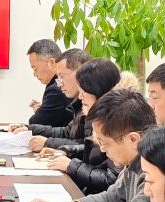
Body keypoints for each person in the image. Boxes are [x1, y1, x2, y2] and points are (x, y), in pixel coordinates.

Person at [25, 89, 159, 202]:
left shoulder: (156, 170)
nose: (102, 149)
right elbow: (111, 201)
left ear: (133, 139)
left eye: (104, 142)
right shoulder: (135, 161)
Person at [41, 58, 121, 194]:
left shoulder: (117, 121)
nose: (80, 97)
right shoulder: (96, 113)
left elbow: (111, 179)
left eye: (84, 91)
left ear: (98, 89)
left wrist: (71, 166)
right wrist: (66, 151)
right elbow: (92, 148)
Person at [12, 48, 90, 150]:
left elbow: (89, 147)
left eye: (62, 76)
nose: (59, 84)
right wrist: (31, 129)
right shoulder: (80, 103)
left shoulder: (96, 105)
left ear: (80, 73)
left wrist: (48, 143)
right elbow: (67, 132)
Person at [25, 39, 73, 127]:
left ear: (51, 63)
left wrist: (40, 112)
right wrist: (43, 110)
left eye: (35, 68)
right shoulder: (58, 85)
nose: (34, 74)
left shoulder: (57, 89)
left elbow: (35, 123)